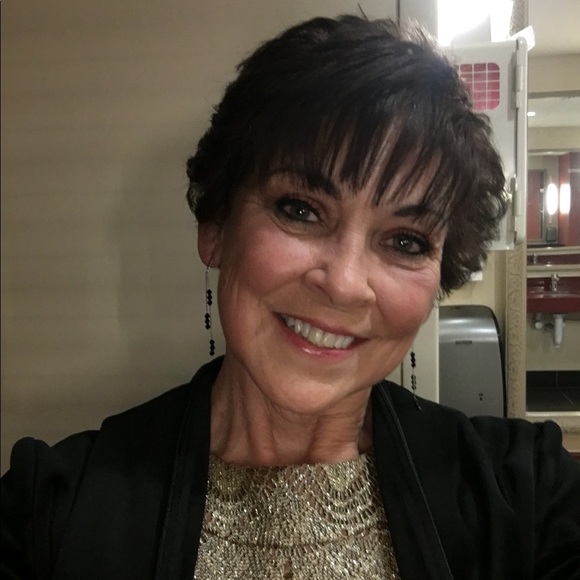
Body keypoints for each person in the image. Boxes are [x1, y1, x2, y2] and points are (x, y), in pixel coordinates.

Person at [2, 14, 579, 580]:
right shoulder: (49, 511)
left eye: (405, 241)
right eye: (300, 210)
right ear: (216, 224)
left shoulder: (528, 494)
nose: (345, 283)